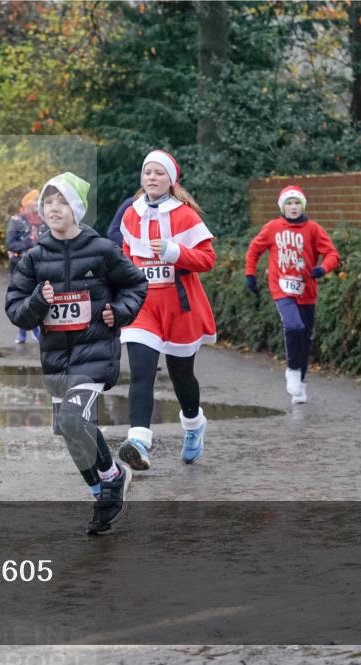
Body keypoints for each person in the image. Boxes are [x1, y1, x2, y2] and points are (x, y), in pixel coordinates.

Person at [5, 172, 148, 535]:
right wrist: (38, 302)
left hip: (95, 351)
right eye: (48, 202)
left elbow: (135, 285)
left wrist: (119, 312)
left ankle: (113, 477)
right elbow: (16, 309)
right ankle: (100, 493)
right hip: (57, 358)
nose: (54, 209)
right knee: (69, 431)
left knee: (72, 420)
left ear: (77, 209)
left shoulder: (102, 250)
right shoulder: (35, 257)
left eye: (62, 202)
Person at [117, 150, 217, 471]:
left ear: (170, 181)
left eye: (159, 173)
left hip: (179, 307)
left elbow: (208, 259)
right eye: (147, 172)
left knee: (181, 375)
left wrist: (175, 252)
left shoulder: (185, 216)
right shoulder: (131, 214)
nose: (152, 178)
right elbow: (126, 259)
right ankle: (138, 442)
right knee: (141, 372)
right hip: (144, 307)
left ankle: (193, 424)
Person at [244, 185, 341, 404]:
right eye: (289, 203)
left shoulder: (313, 229)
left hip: (307, 290)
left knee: (305, 338)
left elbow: (332, 254)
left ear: (303, 206)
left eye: (297, 203)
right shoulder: (272, 228)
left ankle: (301, 382)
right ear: (283, 207)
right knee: (293, 326)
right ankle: (292, 370)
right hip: (282, 288)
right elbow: (254, 250)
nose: (294, 207)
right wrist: (250, 274)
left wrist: (322, 268)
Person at [5, 188, 43, 343]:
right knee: (22, 298)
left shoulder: (44, 219)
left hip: (38, 264)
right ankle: (23, 332)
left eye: (38, 201)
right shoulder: (16, 220)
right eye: (34, 201)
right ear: (26, 204)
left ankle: (36, 328)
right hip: (19, 264)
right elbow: (10, 244)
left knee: (37, 296)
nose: (36, 204)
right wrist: (29, 243)